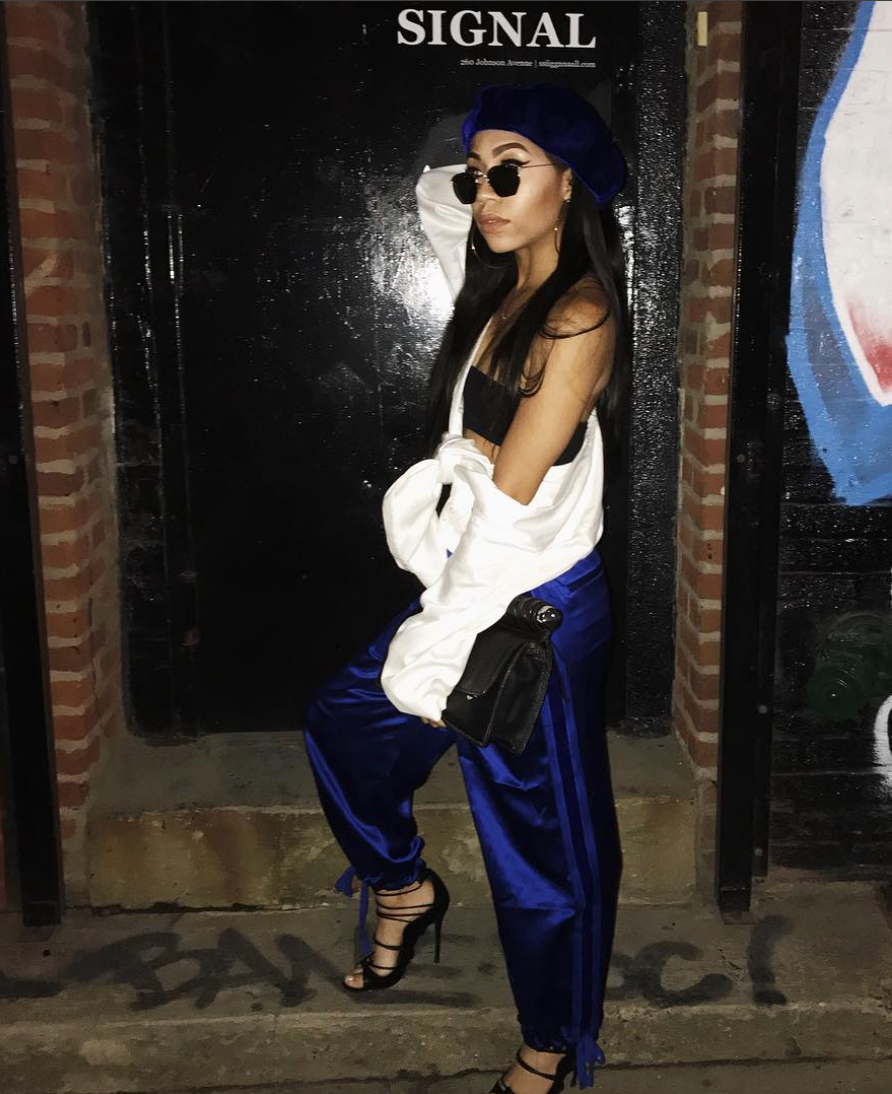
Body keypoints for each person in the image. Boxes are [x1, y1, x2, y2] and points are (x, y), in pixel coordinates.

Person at [302, 83, 630, 1094]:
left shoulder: (576, 314)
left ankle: (552, 1042)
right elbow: (436, 198)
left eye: (510, 172)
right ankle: (402, 886)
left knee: (541, 844)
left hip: (533, 610)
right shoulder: (500, 290)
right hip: (472, 578)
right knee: (344, 724)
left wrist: (437, 641)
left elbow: (510, 513)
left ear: (569, 183)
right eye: (478, 172)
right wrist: (494, 164)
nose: (483, 192)